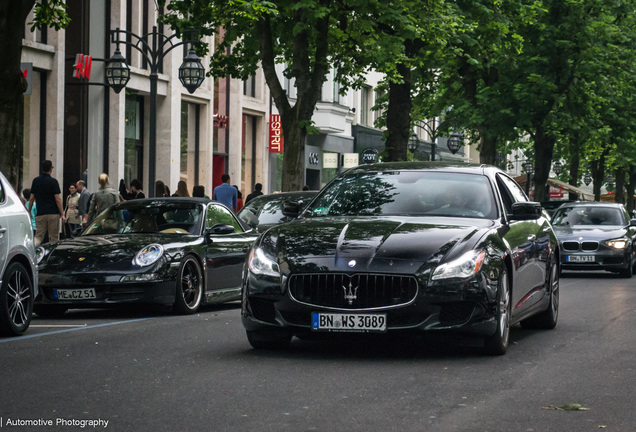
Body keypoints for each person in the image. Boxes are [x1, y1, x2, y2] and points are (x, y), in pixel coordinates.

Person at [29, 160, 64, 246]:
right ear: (51, 169)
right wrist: (62, 213)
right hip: (53, 213)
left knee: (38, 236)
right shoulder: (53, 181)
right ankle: (52, 256)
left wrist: (28, 210)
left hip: (40, 212)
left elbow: (31, 198)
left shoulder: (36, 181)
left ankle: (33, 252)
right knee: (54, 237)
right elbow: (57, 199)